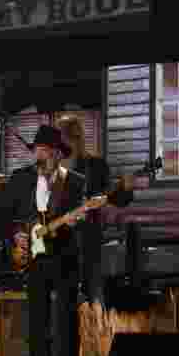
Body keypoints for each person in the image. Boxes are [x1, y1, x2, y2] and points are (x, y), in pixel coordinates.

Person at [0, 125, 86, 356]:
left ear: (59, 154)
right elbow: (1, 214)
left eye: (46, 151)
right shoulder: (20, 178)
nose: (41, 156)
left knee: (67, 318)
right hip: (33, 258)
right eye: (38, 151)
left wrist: (69, 223)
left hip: (64, 256)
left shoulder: (75, 181)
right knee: (37, 319)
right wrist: (15, 236)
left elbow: (78, 221)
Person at [55, 115, 134, 306]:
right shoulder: (52, 167)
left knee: (94, 295)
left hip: (89, 240)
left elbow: (116, 198)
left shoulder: (95, 165)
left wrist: (126, 189)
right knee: (62, 296)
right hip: (59, 241)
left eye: (64, 136)